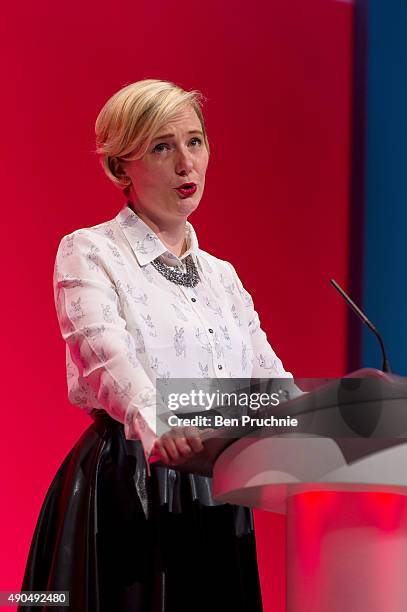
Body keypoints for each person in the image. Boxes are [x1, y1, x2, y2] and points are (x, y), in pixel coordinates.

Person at [19, 79, 292, 612]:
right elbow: (105, 356)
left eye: (195, 141)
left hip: (214, 489)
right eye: (161, 147)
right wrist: (160, 426)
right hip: (131, 484)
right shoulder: (90, 251)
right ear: (121, 169)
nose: (186, 163)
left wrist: (322, 419)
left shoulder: (222, 276)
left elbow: (267, 381)